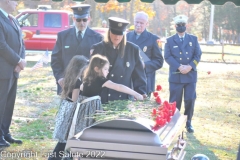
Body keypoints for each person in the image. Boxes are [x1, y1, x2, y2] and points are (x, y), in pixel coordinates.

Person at [91, 17, 147, 104]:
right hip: (103, 97)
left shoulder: (132, 49)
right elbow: (92, 74)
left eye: (120, 34)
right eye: (114, 33)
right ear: (109, 32)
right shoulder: (98, 49)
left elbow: (138, 75)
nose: (117, 37)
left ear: (124, 34)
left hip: (124, 98)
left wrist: (141, 92)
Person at [51, 4, 102, 95]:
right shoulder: (63, 36)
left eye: (84, 20)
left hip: (87, 84)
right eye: (78, 20)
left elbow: (100, 63)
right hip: (66, 83)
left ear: (89, 19)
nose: (81, 23)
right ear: (74, 19)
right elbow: (55, 59)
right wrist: (59, 77)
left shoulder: (97, 38)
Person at [164, 15, 202, 133]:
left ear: (186, 26)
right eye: (178, 25)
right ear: (175, 26)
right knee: (175, 101)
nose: (181, 27)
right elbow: (167, 56)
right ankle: (174, 121)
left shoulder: (193, 39)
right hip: (176, 75)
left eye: (183, 25)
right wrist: (179, 67)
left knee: (190, 99)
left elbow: (198, 54)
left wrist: (190, 66)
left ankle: (188, 122)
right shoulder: (169, 40)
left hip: (190, 76)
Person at [49, 55, 88, 160]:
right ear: (80, 68)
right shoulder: (78, 82)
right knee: (65, 140)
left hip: (66, 110)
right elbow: (75, 99)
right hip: (71, 113)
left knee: (65, 140)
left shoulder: (70, 79)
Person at [0, 0, 26, 147]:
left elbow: (21, 42)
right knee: (1, 103)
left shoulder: (13, 20)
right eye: (14, 1)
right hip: (2, 70)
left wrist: (21, 61)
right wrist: (17, 60)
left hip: (13, 70)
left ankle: (5, 132)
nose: (17, 3)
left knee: (9, 104)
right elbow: (1, 45)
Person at [127, 11, 163, 97]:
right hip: (128, 79)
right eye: (137, 22)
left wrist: (144, 65)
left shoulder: (154, 39)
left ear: (147, 24)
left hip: (145, 80)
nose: (138, 25)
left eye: (141, 23)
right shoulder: (127, 37)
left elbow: (159, 61)